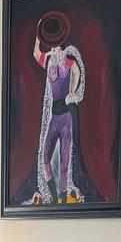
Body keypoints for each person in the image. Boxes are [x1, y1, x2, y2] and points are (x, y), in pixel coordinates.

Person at [24, 13, 88, 205]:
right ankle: (55, 198)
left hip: (65, 117)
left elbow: (77, 70)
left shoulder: (66, 58)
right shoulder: (49, 59)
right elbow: (36, 54)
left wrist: (72, 93)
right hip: (54, 118)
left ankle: (61, 200)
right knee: (44, 157)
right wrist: (38, 33)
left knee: (64, 163)